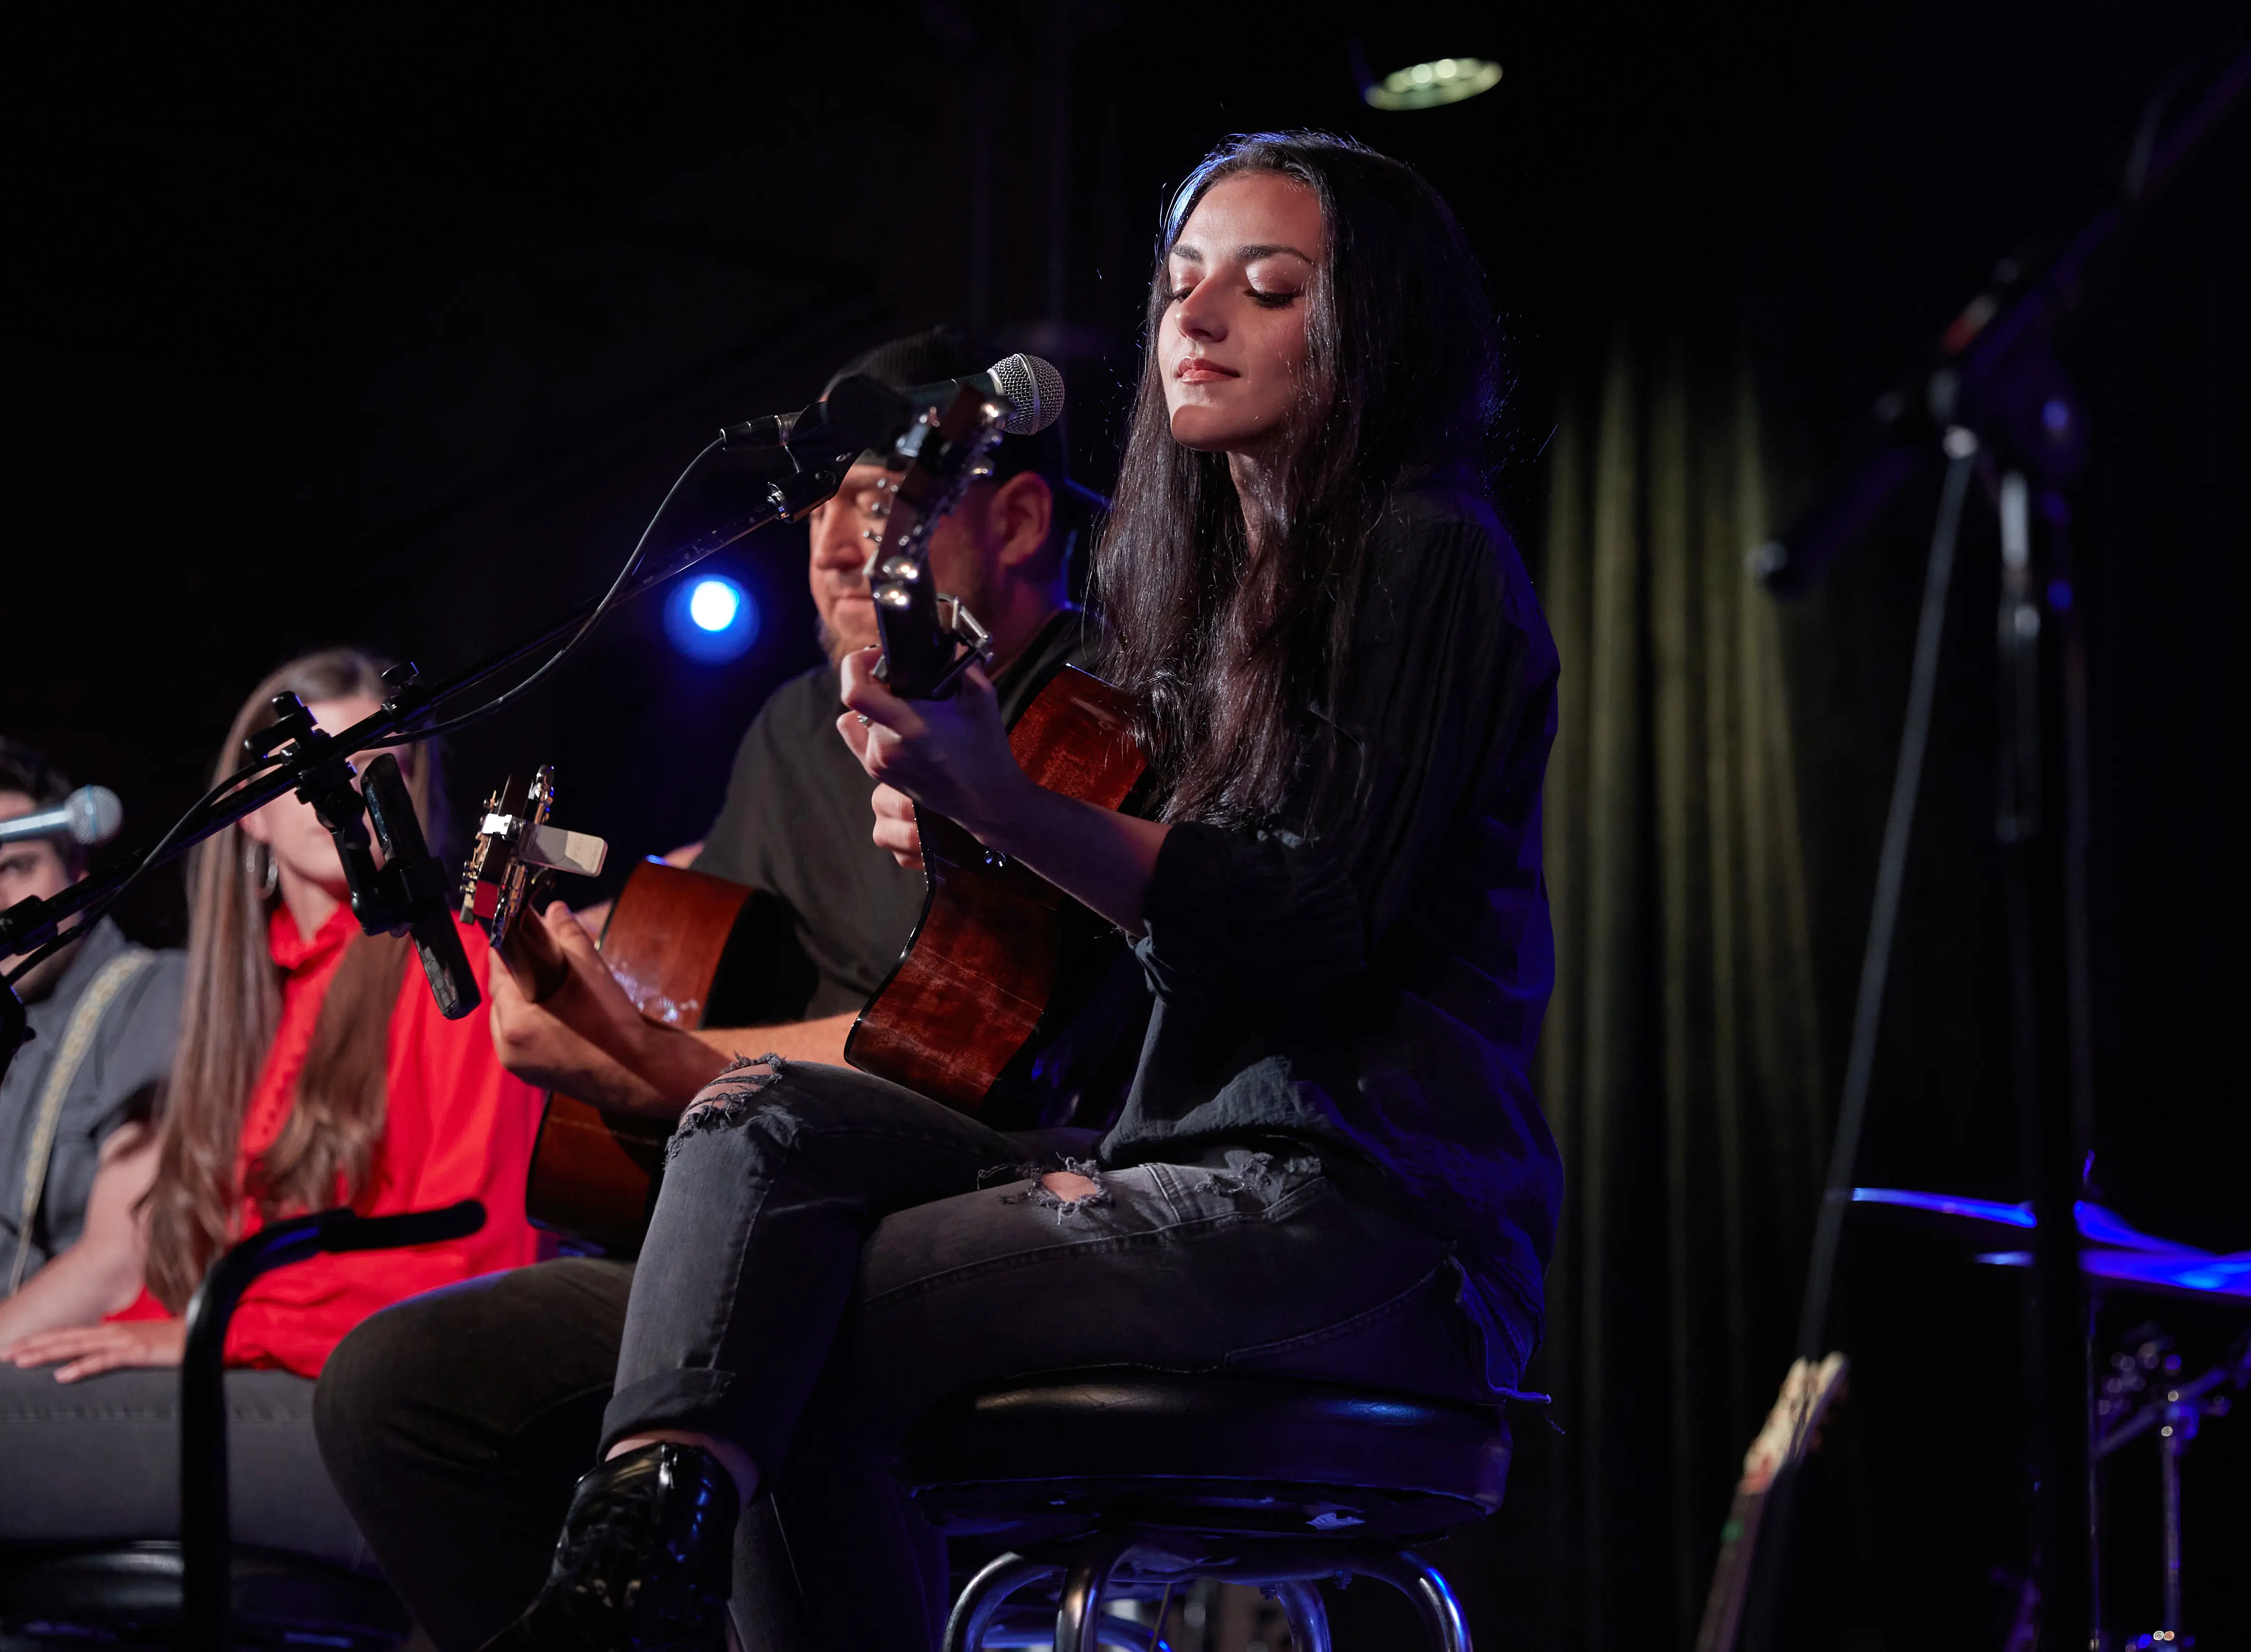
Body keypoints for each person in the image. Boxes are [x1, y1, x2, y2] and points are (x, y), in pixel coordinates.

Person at [327, 131, 1564, 1652]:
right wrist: (986, 821)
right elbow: (1165, 926)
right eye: (1178, 282)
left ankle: (639, 1569)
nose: (1195, 315)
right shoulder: (1201, 613)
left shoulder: (1428, 548)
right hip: (1174, 1166)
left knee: (788, 1324)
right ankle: (632, 1559)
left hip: (1360, 1214)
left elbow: (1310, 917)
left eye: (1269, 288)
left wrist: (1008, 805)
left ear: (1380, 329)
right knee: (695, 1165)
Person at [0, 649, 546, 1569]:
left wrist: (214, 1334)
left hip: (368, 1414)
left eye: (379, 761)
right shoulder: (242, 1005)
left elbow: (476, 1265)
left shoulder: (455, 968)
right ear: (248, 811)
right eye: (313, 767)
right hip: (247, 1372)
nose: (349, 788)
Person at [489, 325, 1102, 1112]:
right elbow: (696, 922)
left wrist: (652, 1065)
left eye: (879, 505)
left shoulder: (1098, 714)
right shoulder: (799, 722)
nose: (832, 551)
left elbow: (969, 1049)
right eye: (816, 509)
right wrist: (556, 947)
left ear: (1016, 523)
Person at [0, 741, 185, 1344]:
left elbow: (116, 1263)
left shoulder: (153, 990)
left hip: (59, 1360)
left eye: (15, 868)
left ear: (77, 874)